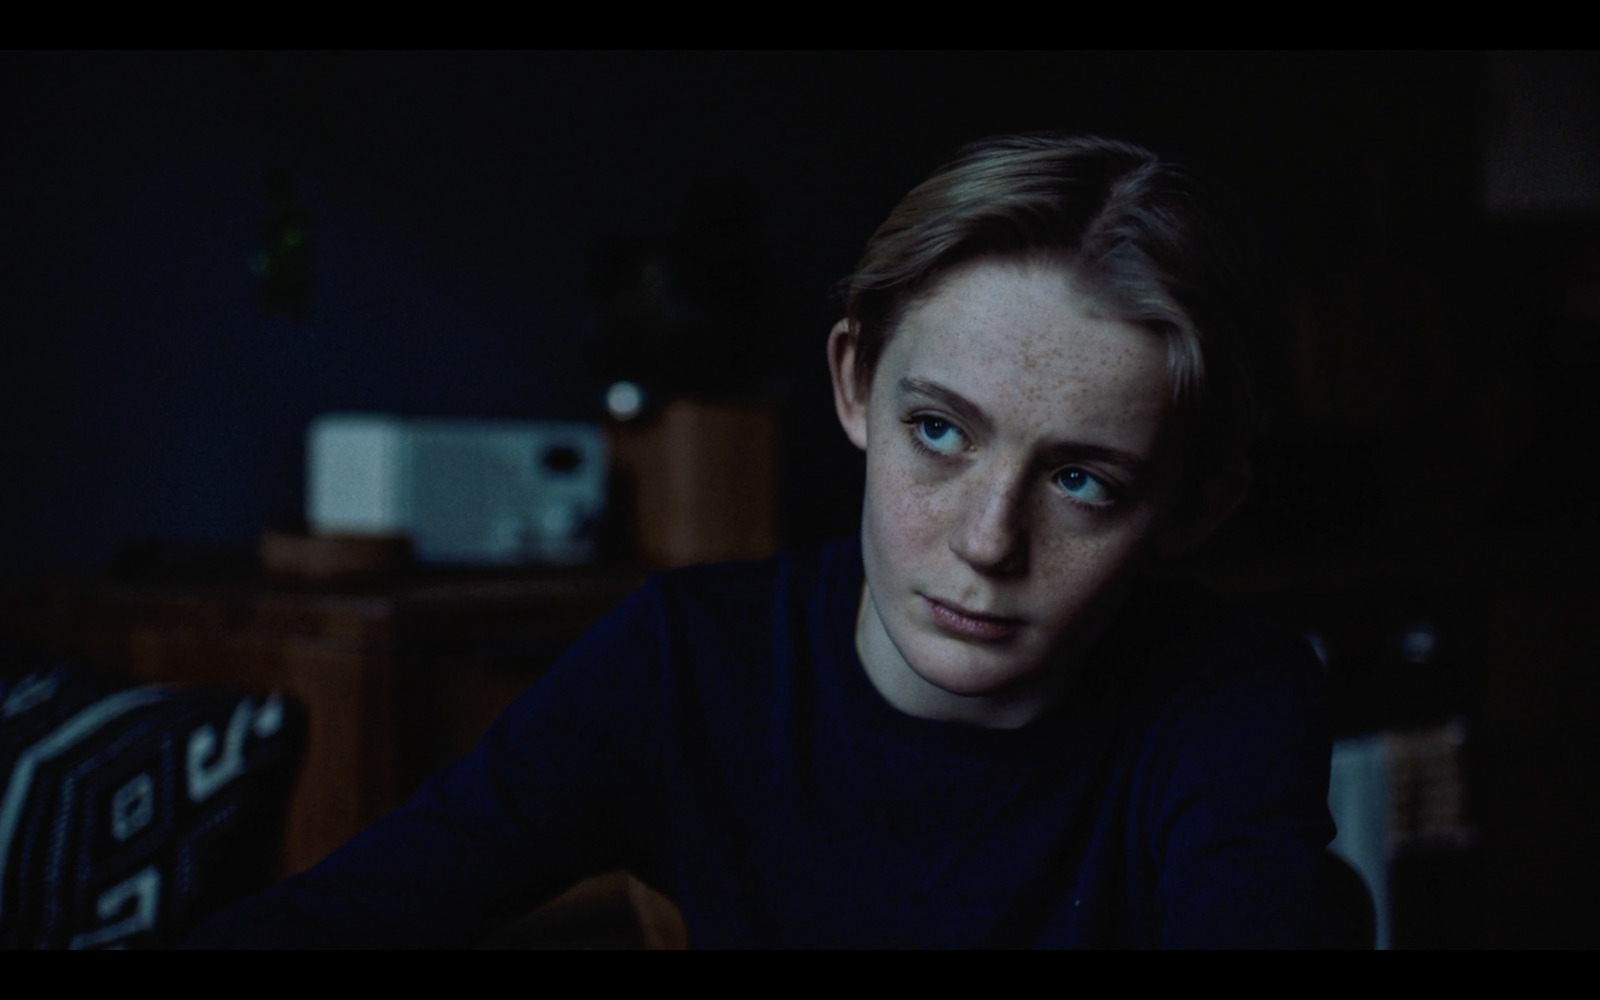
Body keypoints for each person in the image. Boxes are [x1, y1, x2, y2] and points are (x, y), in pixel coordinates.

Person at [188, 134, 1337, 949]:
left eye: (1083, 480)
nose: (988, 541)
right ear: (853, 385)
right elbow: (365, 905)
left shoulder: (1227, 700)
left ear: (1190, 509)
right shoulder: (691, 659)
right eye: (937, 432)